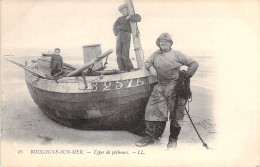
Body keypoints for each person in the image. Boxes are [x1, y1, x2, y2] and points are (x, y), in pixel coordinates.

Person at [135, 33, 199, 149]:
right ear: (159, 43)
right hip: (159, 87)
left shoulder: (176, 54)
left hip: (174, 87)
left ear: (170, 43)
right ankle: (149, 138)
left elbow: (194, 64)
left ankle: (173, 140)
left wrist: (186, 76)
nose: (163, 43)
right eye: (161, 41)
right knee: (150, 111)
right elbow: (147, 62)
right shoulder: (155, 54)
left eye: (166, 41)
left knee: (176, 115)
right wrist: (150, 67)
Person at [113, 4, 141, 71]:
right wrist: (116, 33)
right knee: (118, 54)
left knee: (125, 54)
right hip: (119, 36)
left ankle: (130, 68)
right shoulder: (119, 19)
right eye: (122, 11)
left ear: (128, 10)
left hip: (126, 35)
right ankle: (122, 69)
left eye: (125, 10)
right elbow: (114, 26)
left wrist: (130, 17)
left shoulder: (131, 16)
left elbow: (139, 18)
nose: (123, 12)